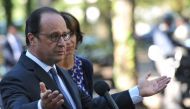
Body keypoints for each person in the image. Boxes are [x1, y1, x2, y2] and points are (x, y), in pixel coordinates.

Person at [0, 7, 170, 109]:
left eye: (65, 35)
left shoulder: (58, 70)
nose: (63, 43)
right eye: (54, 36)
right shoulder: (15, 78)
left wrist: (137, 92)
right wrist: (40, 106)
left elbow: (89, 107)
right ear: (32, 39)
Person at [58, 11, 171, 106]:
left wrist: (138, 91)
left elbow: (90, 105)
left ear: (78, 37)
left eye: (70, 34)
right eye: (61, 36)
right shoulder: (50, 69)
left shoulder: (84, 65)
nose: (66, 41)